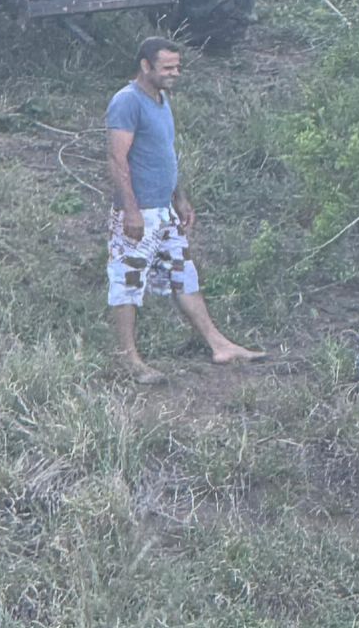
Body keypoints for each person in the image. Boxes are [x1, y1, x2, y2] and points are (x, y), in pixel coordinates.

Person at [106, 37, 262, 384]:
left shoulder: (162, 100)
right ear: (146, 66)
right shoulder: (126, 102)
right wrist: (131, 211)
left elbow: (166, 154)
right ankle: (127, 358)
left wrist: (180, 197)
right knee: (128, 281)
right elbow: (118, 159)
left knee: (183, 275)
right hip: (139, 212)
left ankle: (219, 344)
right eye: (167, 67)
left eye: (177, 67)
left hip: (164, 209)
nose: (175, 73)